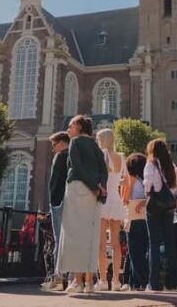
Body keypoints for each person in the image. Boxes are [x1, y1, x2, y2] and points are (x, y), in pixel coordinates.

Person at [56, 115, 108, 294]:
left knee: (75, 234)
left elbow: (76, 166)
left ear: (79, 126)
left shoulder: (75, 142)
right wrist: (100, 187)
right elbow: (103, 169)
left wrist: (92, 186)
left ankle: (77, 281)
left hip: (78, 188)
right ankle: (89, 282)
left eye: (71, 126)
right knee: (91, 235)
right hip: (94, 195)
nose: (69, 129)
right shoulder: (95, 145)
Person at [144, 139, 177, 291]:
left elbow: (148, 185)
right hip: (169, 207)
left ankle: (154, 283)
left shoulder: (151, 164)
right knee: (170, 244)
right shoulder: (171, 165)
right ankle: (171, 284)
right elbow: (174, 186)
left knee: (154, 244)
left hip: (155, 206)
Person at [95, 128, 126, 291]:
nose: (97, 142)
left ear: (104, 140)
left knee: (101, 244)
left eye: (99, 139)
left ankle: (102, 280)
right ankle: (116, 281)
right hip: (116, 199)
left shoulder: (103, 155)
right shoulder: (121, 156)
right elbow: (125, 181)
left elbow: (101, 178)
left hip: (103, 199)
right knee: (116, 244)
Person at [43, 131, 69, 291]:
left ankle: (59, 277)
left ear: (61, 143)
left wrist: (52, 202)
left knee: (59, 240)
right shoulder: (73, 156)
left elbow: (54, 183)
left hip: (59, 202)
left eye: (54, 145)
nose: (53, 149)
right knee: (68, 239)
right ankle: (69, 275)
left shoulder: (60, 157)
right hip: (70, 201)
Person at [121, 152, 149, 290]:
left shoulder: (130, 178)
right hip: (145, 218)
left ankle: (142, 281)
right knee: (141, 251)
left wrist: (122, 186)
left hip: (132, 217)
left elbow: (125, 199)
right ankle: (135, 283)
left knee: (134, 252)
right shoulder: (145, 179)